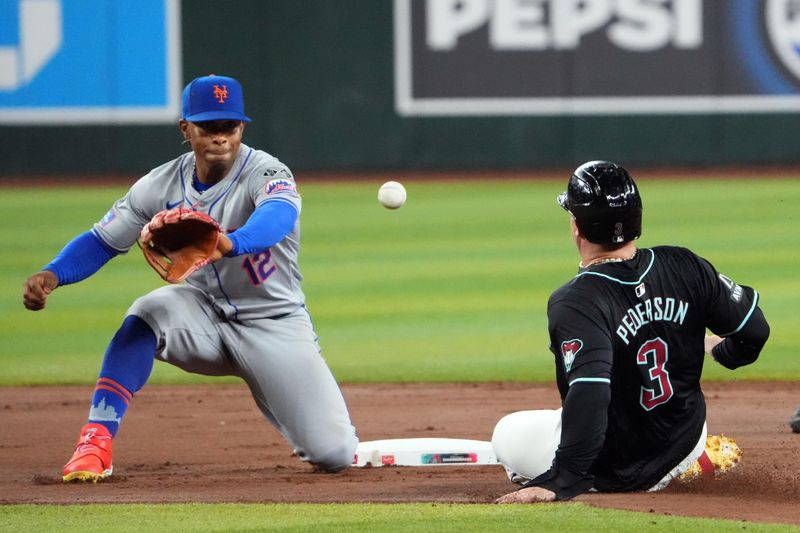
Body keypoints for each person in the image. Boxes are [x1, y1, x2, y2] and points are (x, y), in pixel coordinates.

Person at [22, 74, 358, 482]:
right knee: (146, 313)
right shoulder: (159, 184)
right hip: (203, 317)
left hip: (274, 324)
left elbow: (278, 218)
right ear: (186, 129)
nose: (220, 138)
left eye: (228, 127)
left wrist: (229, 243)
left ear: (242, 128)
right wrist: (53, 274)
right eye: (208, 127)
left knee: (335, 453)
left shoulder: (268, 171)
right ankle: (94, 443)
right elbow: (102, 241)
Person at [492, 160, 770, 503]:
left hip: (614, 468)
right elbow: (754, 331)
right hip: (684, 444)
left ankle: (544, 470)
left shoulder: (576, 300)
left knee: (505, 434)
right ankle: (690, 464)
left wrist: (565, 478)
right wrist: (723, 352)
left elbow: (591, 393)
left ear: (577, 227)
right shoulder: (684, 264)